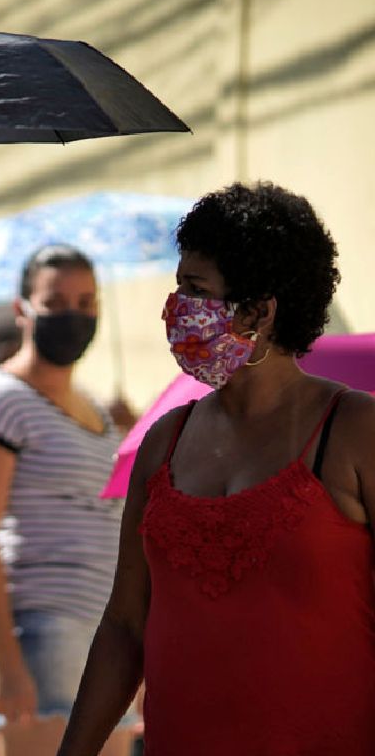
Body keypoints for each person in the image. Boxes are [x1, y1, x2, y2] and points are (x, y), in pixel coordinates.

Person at [58, 182, 375, 756]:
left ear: (258, 311)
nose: (175, 309)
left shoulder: (353, 430)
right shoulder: (163, 442)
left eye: (194, 290)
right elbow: (126, 627)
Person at [0, 245, 133, 756]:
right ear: (22, 309)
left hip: (100, 635)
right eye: (56, 301)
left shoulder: (98, 411)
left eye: (87, 301)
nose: (74, 314)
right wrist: (6, 661)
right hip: (37, 630)